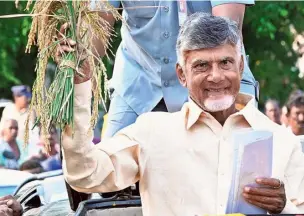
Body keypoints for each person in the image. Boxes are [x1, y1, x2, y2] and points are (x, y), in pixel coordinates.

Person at [62, 14, 304, 214]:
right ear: (182, 75)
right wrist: (79, 86)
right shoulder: (151, 133)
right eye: (201, 65)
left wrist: (283, 208)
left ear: (241, 67)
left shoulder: (280, 140)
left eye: (225, 63)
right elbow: (85, 174)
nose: (216, 76)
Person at [85, 0, 259, 138]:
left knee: (238, 164)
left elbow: (226, 34)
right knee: (107, 167)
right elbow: (98, 34)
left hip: (212, 81)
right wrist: (77, 52)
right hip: (139, 83)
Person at [0, 85, 39, 156]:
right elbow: (2, 130)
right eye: (25, 97)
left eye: (28, 97)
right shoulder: (8, 109)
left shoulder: (32, 110)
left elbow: (35, 132)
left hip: (26, 148)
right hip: (8, 147)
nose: (28, 99)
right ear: (16, 97)